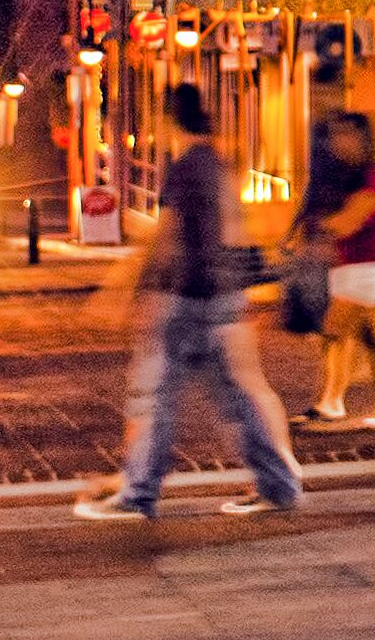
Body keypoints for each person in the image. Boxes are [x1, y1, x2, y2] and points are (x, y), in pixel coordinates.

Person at [74, 85, 301, 520]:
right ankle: (278, 485)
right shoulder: (219, 165)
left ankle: (138, 493)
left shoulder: (185, 168)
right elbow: (236, 230)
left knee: (155, 397)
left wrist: (128, 291)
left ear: (167, 121)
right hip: (221, 298)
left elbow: (167, 236)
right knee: (236, 399)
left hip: (186, 298)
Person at [296, 112, 375, 432]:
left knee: (334, 331)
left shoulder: (373, 173)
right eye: (336, 134)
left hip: (372, 266)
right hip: (355, 267)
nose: (340, 141)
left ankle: (332, 402)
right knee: (373, 340)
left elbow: (352, 219)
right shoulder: (342, 174)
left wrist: (325, 226)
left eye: (348, 134)